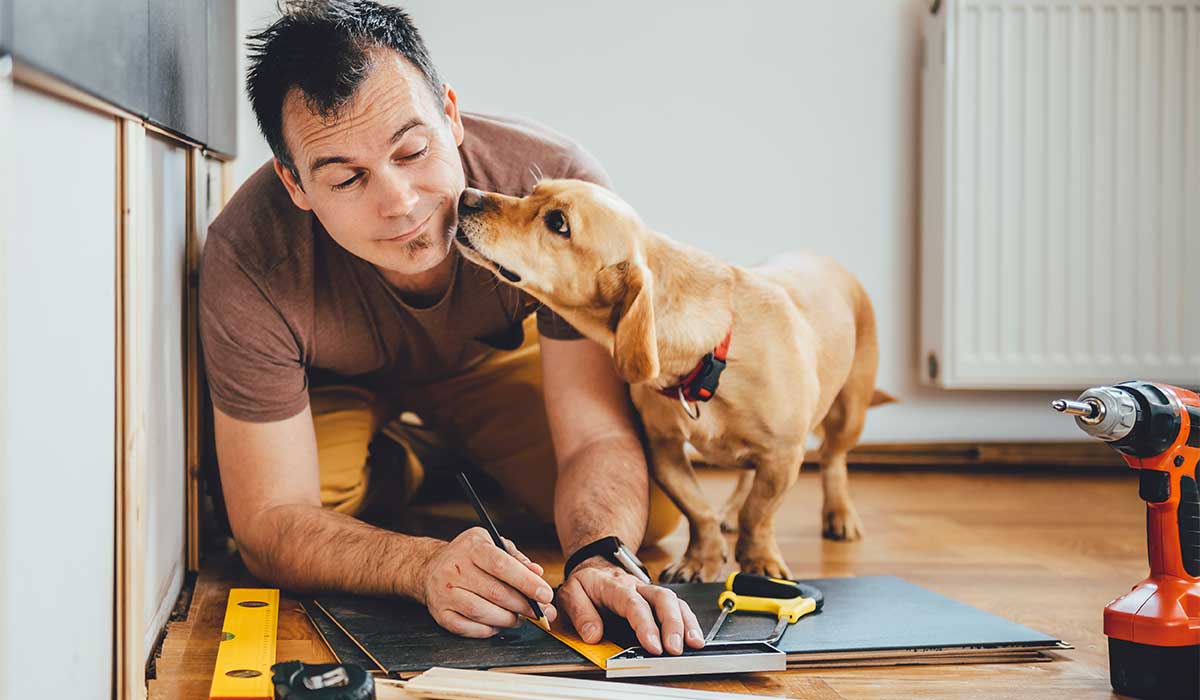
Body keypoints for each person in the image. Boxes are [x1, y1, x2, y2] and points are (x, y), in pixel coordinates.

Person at [199, 0, 704, 657]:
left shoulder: (553, 189)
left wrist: (600, 555)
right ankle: (412, 461)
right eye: (348, 179)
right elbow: (267, 522)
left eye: (413, 151)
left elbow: (595, 436)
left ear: (452, 116)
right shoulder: (248, 256)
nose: (400, 203)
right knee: (315, 512)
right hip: (334, 382)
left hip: (481, 364)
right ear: (294, 184)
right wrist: (418, 566)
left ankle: (448, 447)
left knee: (654, 513)